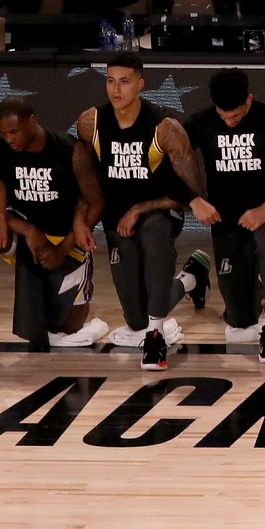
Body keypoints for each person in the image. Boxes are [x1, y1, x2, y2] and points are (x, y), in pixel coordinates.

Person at [75, 51, 213, 371]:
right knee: (137, 318)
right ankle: (191, 278)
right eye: (110, 81)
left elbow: (193, 193)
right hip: (116, 219)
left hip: (160, 212)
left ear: (140, 84)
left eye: (124, 82)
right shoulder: (90, 123)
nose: (116, 89)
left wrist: (139, 208)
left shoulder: (164, 127)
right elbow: (86, 183)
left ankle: (155, 337)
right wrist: (81, 221)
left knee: (154, 233)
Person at [0, 97, 107, 366]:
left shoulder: (70, 150)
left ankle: (81, 288)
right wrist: (26, 230)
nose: (9, 139)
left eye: (14, 131)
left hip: (65, 240)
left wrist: (63, 248)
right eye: (4, 132)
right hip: (24, 239)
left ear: (32, 121)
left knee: (66, 328)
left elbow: (97, 203)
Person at [184, 69, 265, 362]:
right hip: (226, 222)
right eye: (223, 116)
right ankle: (195, 276)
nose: (229, 122)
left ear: (250, 99)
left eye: (236, 115)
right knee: (240, 320)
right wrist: (193, 199)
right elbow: (168, 159)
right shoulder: (201, 122)